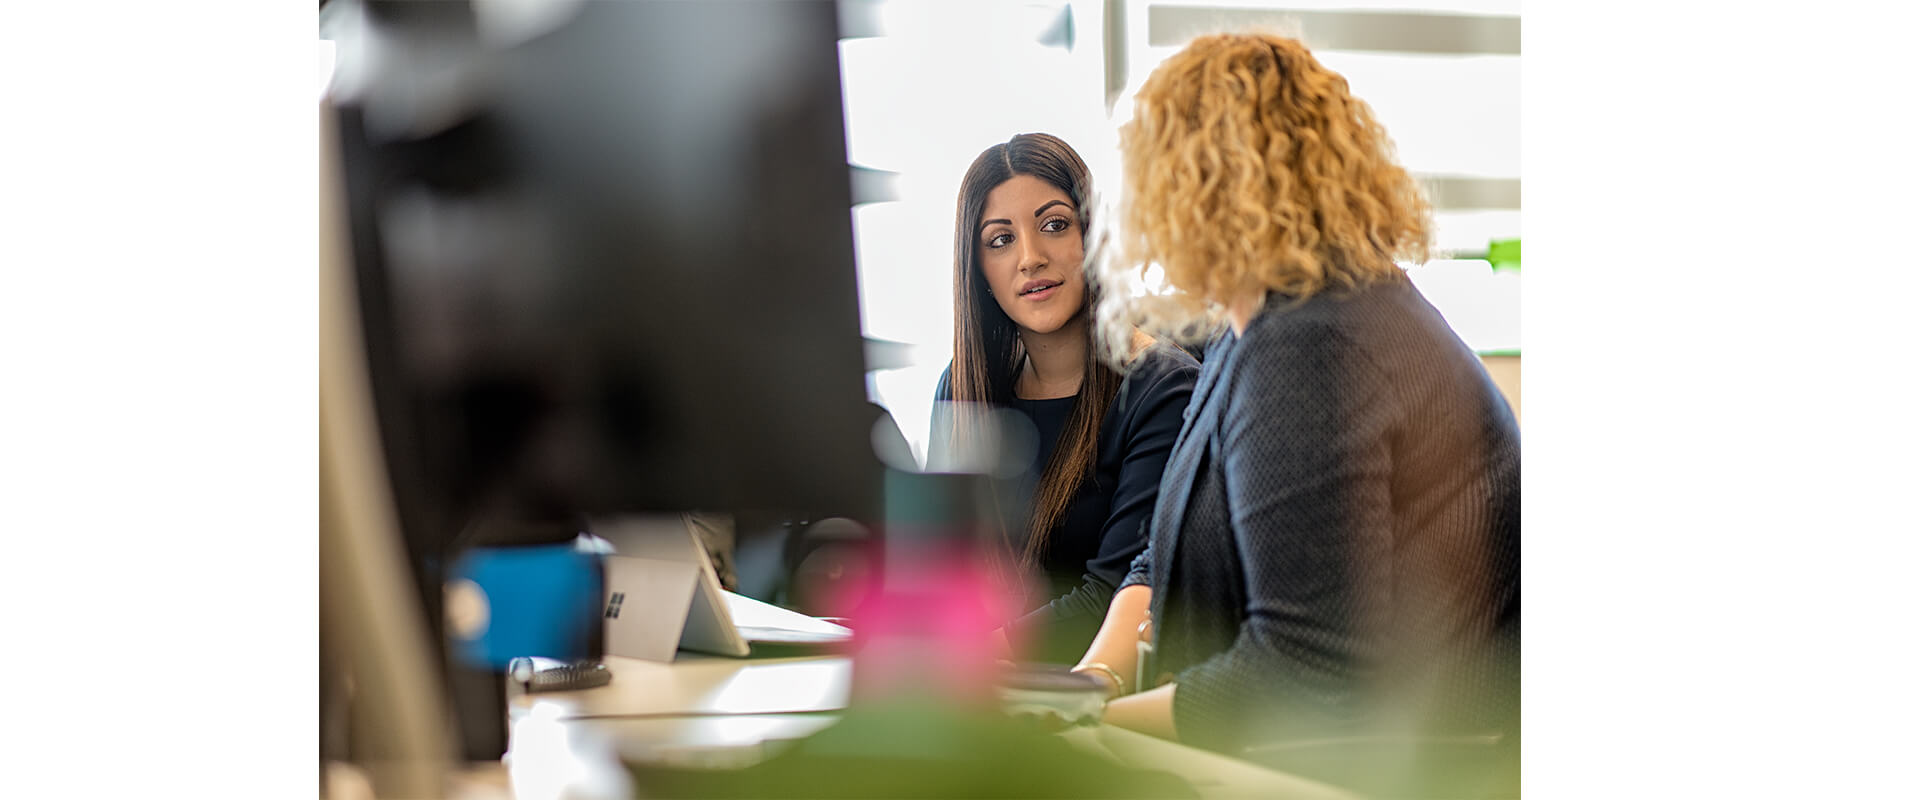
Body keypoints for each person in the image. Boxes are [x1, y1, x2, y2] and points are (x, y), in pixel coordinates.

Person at [1066, 32, 1521, 793]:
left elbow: (1306, 672)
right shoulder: (1266, 325)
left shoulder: (1311, 345)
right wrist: (1087, 689)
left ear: (1199, 183)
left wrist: (1095, 729)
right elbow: (1163, 553)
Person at [931, 133, 1199, 665]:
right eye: (1000, 240)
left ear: (1092, 237)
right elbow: (940, 575)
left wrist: (971, 657)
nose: (1030, 258)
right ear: (977, 270)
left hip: (1089, 696)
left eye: (1054, 226)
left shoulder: (1162, 388)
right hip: (978, 698)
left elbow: (1117, 596)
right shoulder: (963, 389)